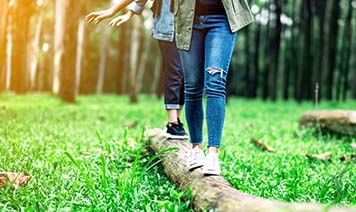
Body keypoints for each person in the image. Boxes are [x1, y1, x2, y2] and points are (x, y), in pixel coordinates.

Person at [86, 0, 188, 139]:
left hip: (190, 27)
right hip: (167, 24)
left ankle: (176, 122)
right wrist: (122, 12)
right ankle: (173, 122)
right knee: (174, 71)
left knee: (184, 74)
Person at [174, 0, 254, 175]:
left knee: (215, 83)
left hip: (222, 20)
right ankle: (196, 148)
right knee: (192, 86)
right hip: (188, 20)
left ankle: (212, 153)